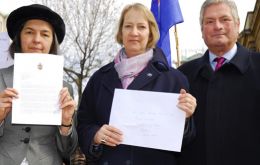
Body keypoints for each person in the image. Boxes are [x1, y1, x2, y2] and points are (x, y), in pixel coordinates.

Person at [77, 3, 197, 165]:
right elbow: (83, 123)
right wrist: (95, 135)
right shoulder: (99, 78)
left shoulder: (175, 79)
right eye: (128, 26)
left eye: (141, 27)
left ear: (150, 32)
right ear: (121, 32)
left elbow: (187, 142)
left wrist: (186, 118)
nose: (134, 32)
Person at [177, 0, 260, 165]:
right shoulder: (183, 75)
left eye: (224, 19)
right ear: (202, 30)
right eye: (209, 21)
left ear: (237, 25)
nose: (217, 26)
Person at [0, 4, 78, 165]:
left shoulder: (65, 89)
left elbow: (67, 151)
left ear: (52, 43)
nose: (36, 40)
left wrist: (65, 123)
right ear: (19, 38)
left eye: (45, 34)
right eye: (29, 32)